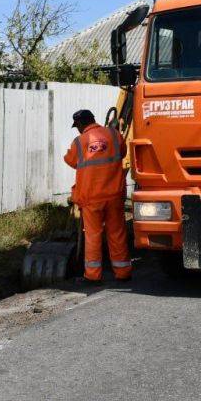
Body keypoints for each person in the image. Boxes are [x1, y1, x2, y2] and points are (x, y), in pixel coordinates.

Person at [63, 109, 131, 282]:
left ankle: (93, 275)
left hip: (91, 198)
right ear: (93, 119)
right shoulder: (114, 135)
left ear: (79, 124)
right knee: (117, 233)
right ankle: (122, 272)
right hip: (114, 195)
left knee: (93, 236)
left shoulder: (79, 142)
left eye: (76, 126)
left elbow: (70, 160)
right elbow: (122, 152)